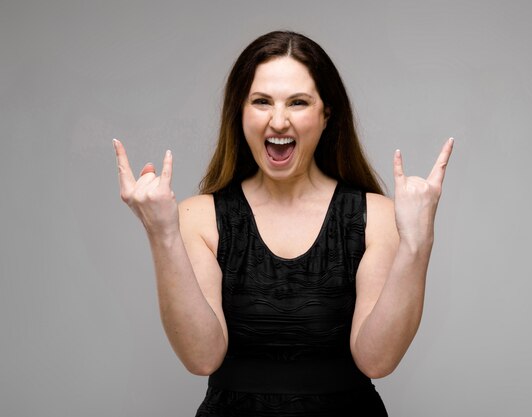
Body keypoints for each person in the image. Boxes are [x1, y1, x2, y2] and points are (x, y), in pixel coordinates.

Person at [113, 30, 453, 417]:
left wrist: (417, 241)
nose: (278, 121)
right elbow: (201, 358)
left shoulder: (374, 215)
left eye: (298, 102)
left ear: (326, 115)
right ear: (239, 113)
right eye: (261, 102)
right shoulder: (198, 217)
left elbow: (378, 360)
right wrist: (161, 232)